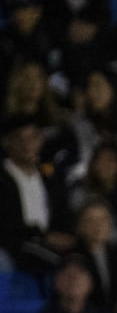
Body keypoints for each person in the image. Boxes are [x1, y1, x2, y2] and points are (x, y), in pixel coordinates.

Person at [0, 114, 76, 277]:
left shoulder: (50, 179)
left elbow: (63, 215)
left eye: (33, 137)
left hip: (45, 247)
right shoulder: (3, 177)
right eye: (20, 138)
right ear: (8, 143)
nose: (27, 144)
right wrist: (42, 237)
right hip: (13, 247)